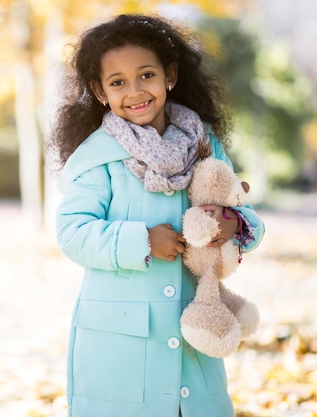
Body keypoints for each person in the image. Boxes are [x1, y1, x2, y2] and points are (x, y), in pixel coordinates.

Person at [48, 13, 265, 417]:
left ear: (170, 75)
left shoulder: (202, 144)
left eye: (146, 75)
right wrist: (142, 241)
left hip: (191, 333)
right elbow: (72, 232)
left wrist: (231, 224)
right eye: (117, 83)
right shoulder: (99, 159)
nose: (135, 91)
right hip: (122, 344)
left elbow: (248, 216)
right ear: (100, 92)